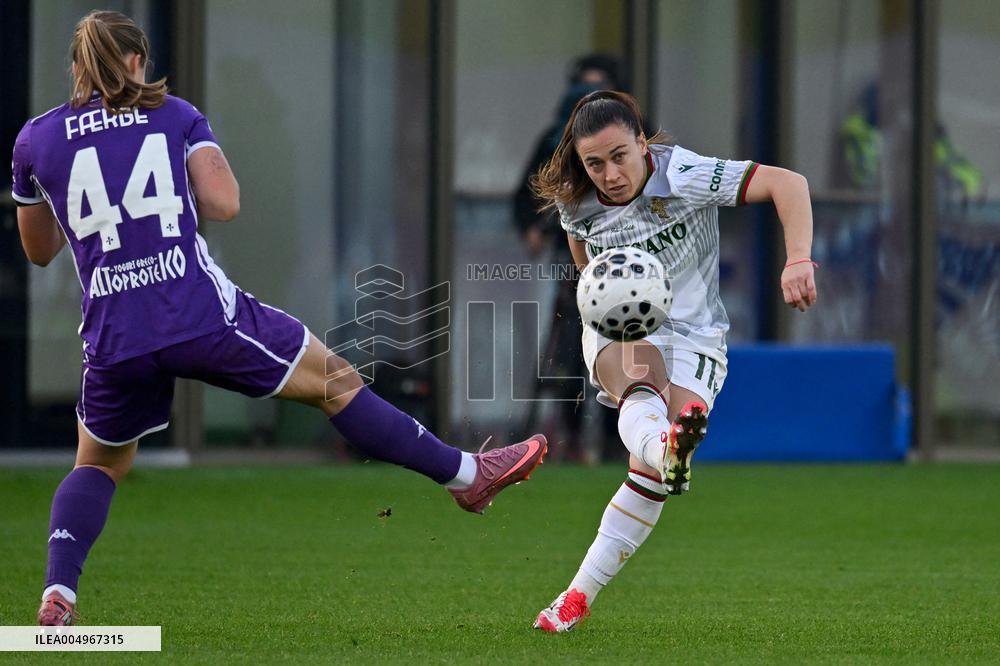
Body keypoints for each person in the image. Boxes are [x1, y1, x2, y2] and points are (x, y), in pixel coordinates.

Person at [12, 11, 547, 627]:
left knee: (99, 465)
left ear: (75, 68)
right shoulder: (175, 114)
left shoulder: (36, 140)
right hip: (198, 315)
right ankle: (466, 476)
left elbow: (39, 250)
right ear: (137, 62)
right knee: (336, 382)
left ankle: (59, 596)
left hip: (115, 335)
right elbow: (225, 203)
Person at [528, 90, 817, 631]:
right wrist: (601, 305)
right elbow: (585, 267)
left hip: (696, 337)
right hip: (623, 327)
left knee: (653, 473)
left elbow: (789, 183)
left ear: (643, 144)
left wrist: (797, 258)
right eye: (594, 163)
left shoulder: (683, 174)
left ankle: (576, 597)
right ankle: (664, 445)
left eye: (619, 156)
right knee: (641, 388)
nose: (609, 174)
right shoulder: (575, 200)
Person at [512, 54, 621, 462]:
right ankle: (573, 436)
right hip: (573, 261)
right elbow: (528, 194)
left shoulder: (627, 138)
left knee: (625, 345)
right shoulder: (554, 141)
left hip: (626, 259)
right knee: (573, 349)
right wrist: (534, 227)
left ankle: (619, 438)